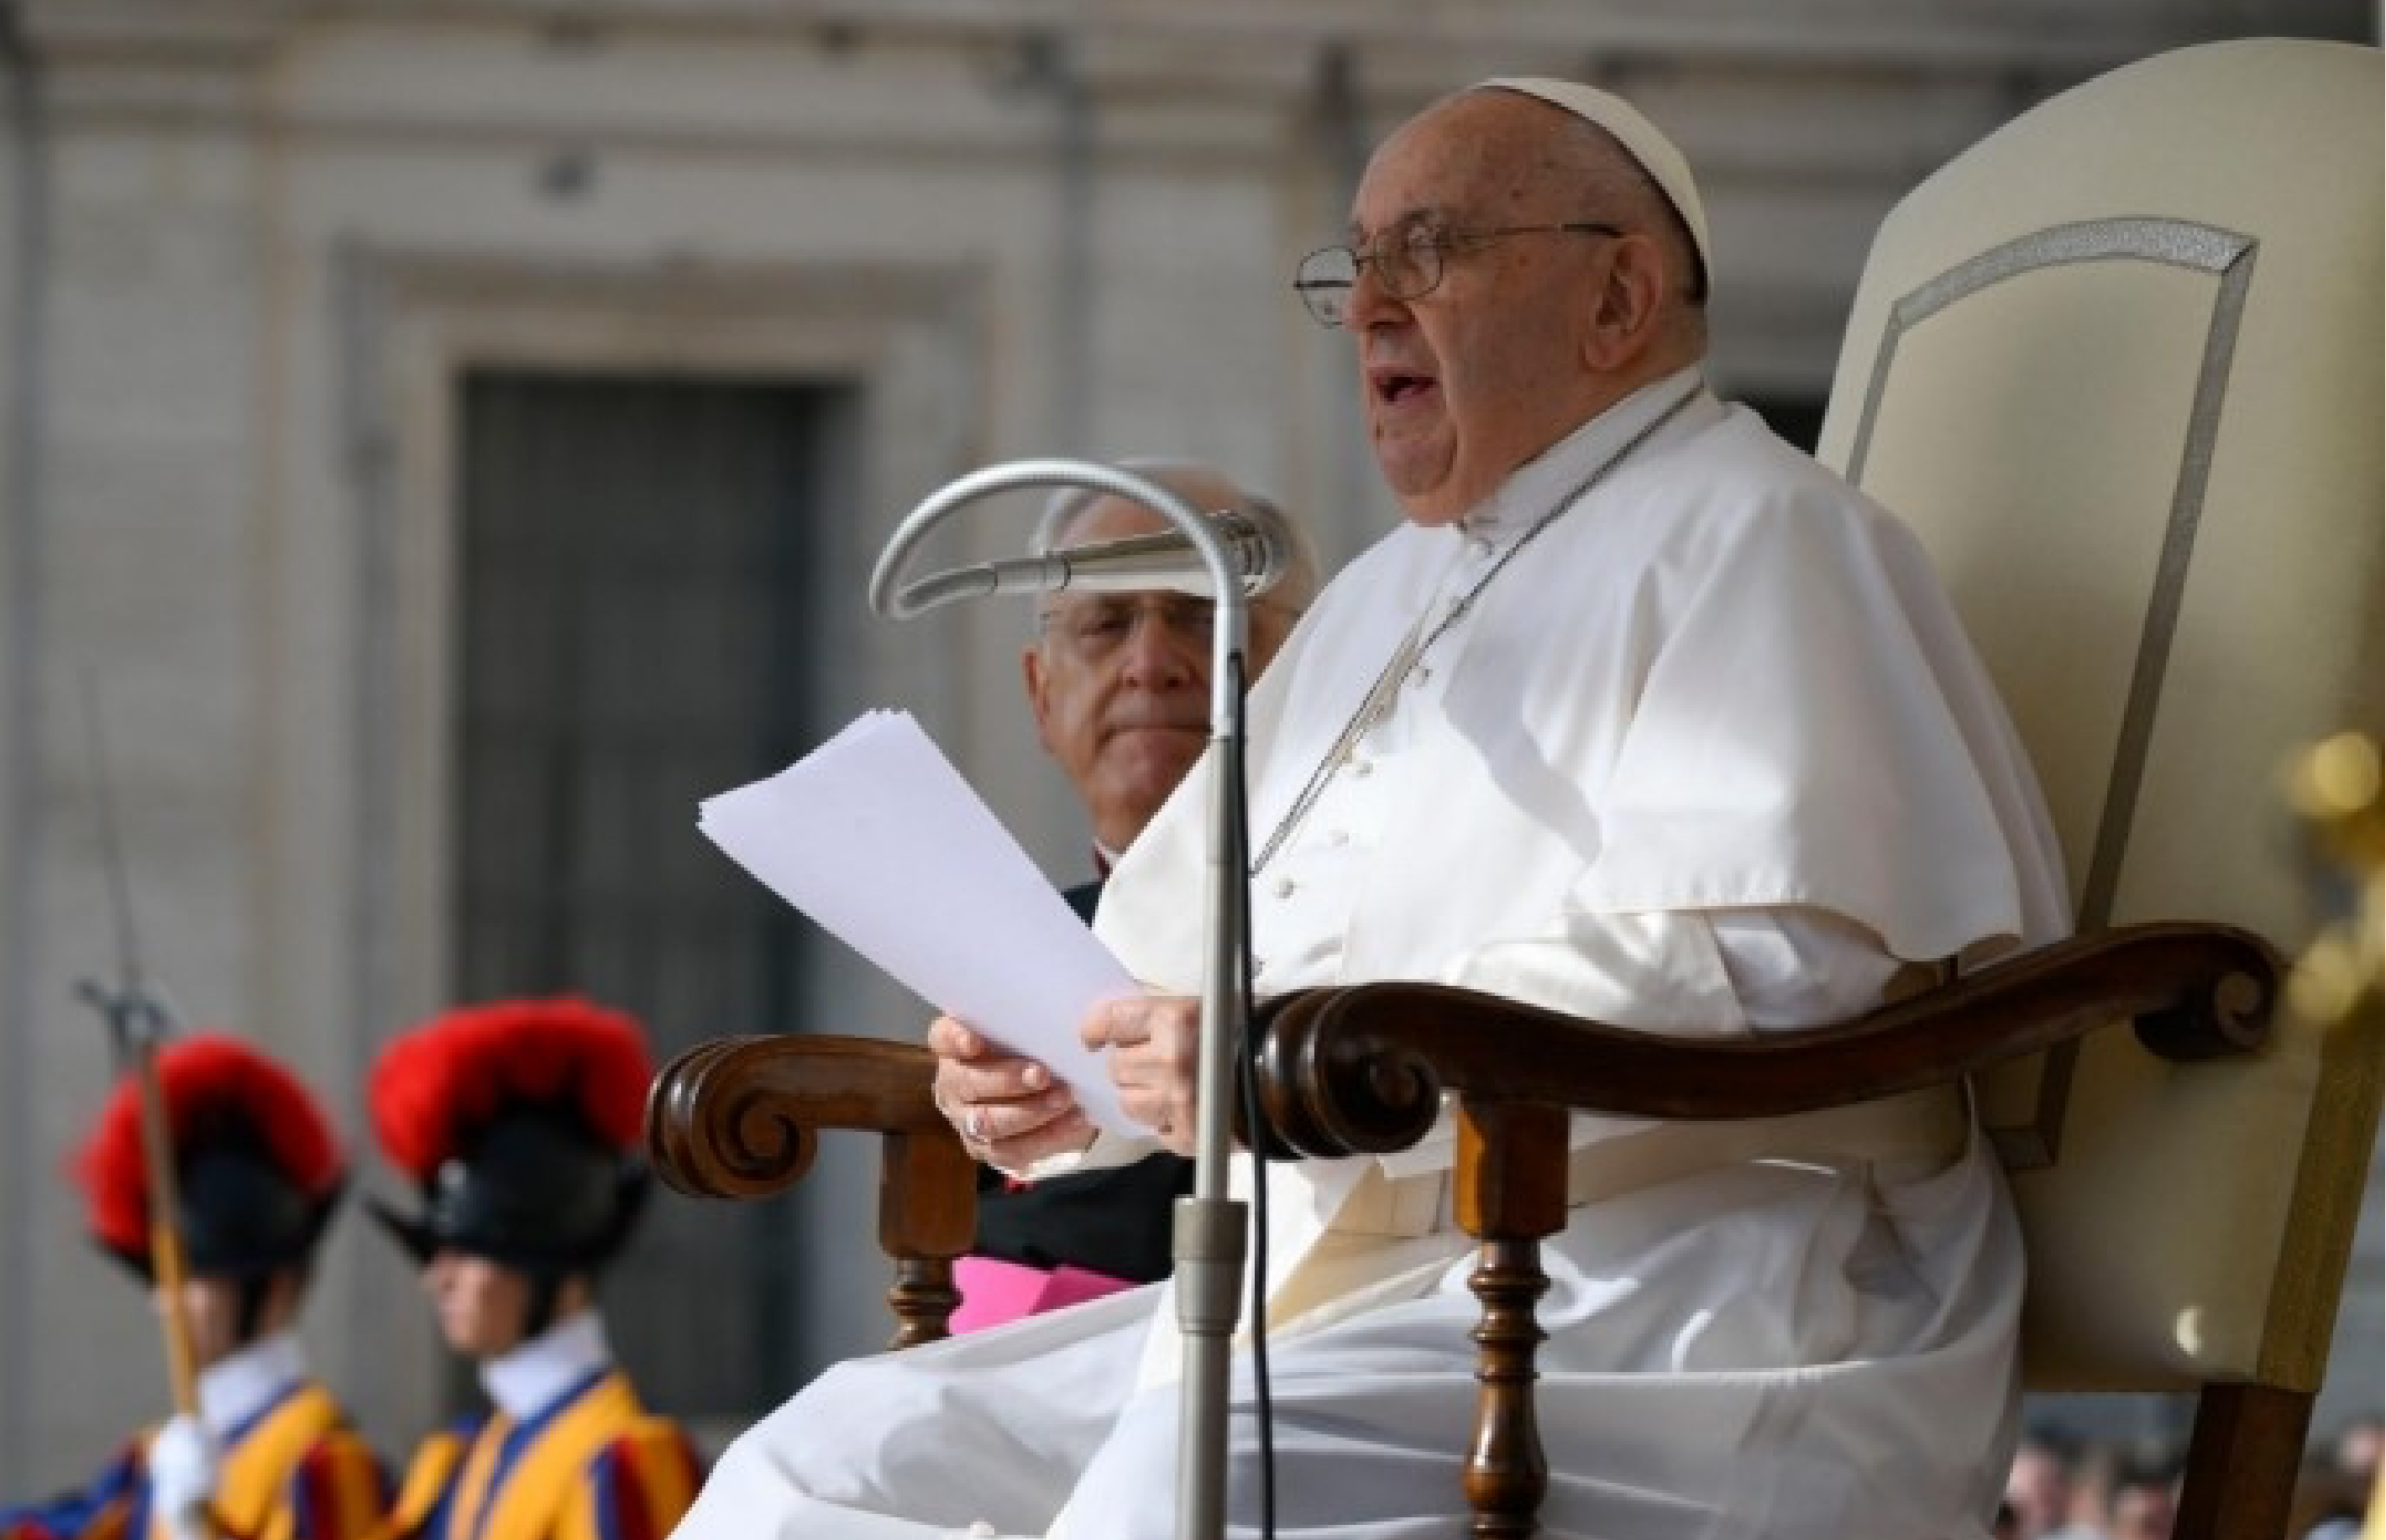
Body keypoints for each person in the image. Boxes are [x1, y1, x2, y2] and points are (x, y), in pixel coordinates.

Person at [674, 71, 2068, 1540]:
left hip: (1685, 1278)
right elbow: (1163, 973)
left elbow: (1781, 955)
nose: (1366, 309)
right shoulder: (1380, 597)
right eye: (1352, 266)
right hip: (1348, 1284)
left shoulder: (1768, 534)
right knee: (821, 1462)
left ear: (1617, 298)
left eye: (1430, 251)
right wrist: (1050, 1077)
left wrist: (1299, 1049)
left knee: (1174, 1493)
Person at [954, 462, 1321, 1333]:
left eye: (1200, 615)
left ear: (1311, 669)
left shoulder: (1368, 912)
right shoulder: (1010, 938)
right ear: (1041, 695)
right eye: (1106, 623)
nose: (1150, 664)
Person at [0, 1035, 390, 1540]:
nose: (163, 1302)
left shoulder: (326, 1465)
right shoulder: (150, 1464)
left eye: (191, 1281)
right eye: (158, 1281)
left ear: (276, 1288)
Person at [362, 998, 701, 1540]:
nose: (438, 1278)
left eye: (469, 1251)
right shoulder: (458, 1459)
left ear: (550, 1256)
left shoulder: (624, 1462)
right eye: (437, 1253)